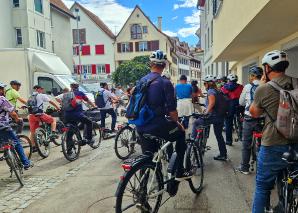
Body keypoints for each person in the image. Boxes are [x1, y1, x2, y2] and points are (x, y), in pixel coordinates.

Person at [250, 50, 295, 213]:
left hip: (274, 144)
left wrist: (262, 85)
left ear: (267, 68)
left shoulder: (263, 89)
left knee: (262, 186)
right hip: (296, 143)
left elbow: (254, 113)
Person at [137, 50, 191, 181]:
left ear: (150, 64)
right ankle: (179, 172)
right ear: (165, 66)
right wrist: (177, 123)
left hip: (141, 125)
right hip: (157, 125)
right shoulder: (165, 83)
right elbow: (172, 110)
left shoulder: (141, 81)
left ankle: (143, 188)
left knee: (147, 156)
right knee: (180, 133)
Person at [192, 75, 227, 161]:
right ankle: (223, 154)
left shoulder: (211, 91)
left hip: (213, 116)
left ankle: (193, 142)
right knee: (219, 136)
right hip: (220, 116)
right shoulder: (217, 90)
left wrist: (206, 112)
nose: (204, 85)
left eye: (205, 83)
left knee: (196, 122)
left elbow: (211, 104)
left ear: (208, 84)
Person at [235, 66, 264, 175]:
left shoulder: (247, 87)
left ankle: (245, 167)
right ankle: (263, 169)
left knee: (246, 144)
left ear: (252, 76)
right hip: (262, 119)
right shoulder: (265, 85)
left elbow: (241, 102)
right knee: (263, 145)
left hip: (249, 118)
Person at [0, 82, 32, 169]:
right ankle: (26, 163)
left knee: (3, 143)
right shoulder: (2, 99)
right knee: (16, 142)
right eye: (3, 89)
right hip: (2, 126)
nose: (4, 90)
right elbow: (12, 113)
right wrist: (18, 119)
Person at [221, 74, 244, 145]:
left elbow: (222, 98)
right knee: (241, 121)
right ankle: (241, 137)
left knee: (228, 124)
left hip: (229, 107)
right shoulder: (241, 87)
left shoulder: (224, 87)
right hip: (239, 106)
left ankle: (229, 141)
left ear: (228, 80)